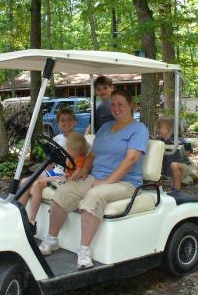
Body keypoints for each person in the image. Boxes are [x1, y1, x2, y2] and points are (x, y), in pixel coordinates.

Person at [40, 89, 149, 269]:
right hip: (96, 177)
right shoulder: (106, 128)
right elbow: (91, 155)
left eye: (120, 104)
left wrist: (107, 182)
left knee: (95, 195)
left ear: (131, 105)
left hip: (125, 182)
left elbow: (131, 160)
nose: (116, 108)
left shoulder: (139, 129)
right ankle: (52, 238)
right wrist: (82, 170)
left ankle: (84, 251)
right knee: (64, 191)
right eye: (112, 104)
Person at [26, 133, 89, 235]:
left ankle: (36, 219)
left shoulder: (80, 159)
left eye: (73, 149)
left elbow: (75, 173)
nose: (69, 151)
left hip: (67, 180)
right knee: (35, 183)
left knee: (38, 183)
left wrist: (74, 172)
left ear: (80, 150)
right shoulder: (68, 157)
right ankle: (31, 220)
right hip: (62, 177)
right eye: (69, 148)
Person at [18, 108, 77, 209]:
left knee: (36, 183)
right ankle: (20, 212)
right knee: (24, 182)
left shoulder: (79, 140)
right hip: (55, 171)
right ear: (58, 123)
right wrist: (42, 171)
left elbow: (80, 163)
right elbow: (52, 162)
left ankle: (31, 220)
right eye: (62, 120)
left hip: (66, 174)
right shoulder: (57, 139)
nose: (66, 122)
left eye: (69, 119)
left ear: (75, 122)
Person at [156, 116, 197, 194]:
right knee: (156, 167)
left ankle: (176, 191)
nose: (157, 130)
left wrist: (184, 148)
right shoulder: (159, 141)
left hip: (183, 167)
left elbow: (188, 153)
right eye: (157, 127)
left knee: (174, 165)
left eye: (160, 127)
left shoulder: (179, 140)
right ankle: (159, 190)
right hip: (167, 167)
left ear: (170, 129)